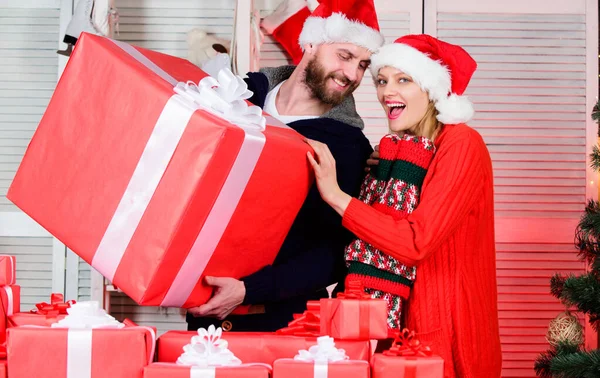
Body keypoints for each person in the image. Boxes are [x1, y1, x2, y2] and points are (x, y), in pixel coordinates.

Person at [306, 34, 502, 378]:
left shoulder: (461, 145)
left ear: (431, 89)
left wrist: (336, 195)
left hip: (447, 337)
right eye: (382, 81)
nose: (386, 92)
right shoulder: (406, 151)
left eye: (403, 80)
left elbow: (415, 242)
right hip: (404, 333)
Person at [185, 0, 383, 332]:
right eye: (345, 56)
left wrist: (248, 290)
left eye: (363, 64)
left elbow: (337, 253)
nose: (352, 74)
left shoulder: (348, 148)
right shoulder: (234, 99)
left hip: (284, 326)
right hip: (203, 319)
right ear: (309, 44)